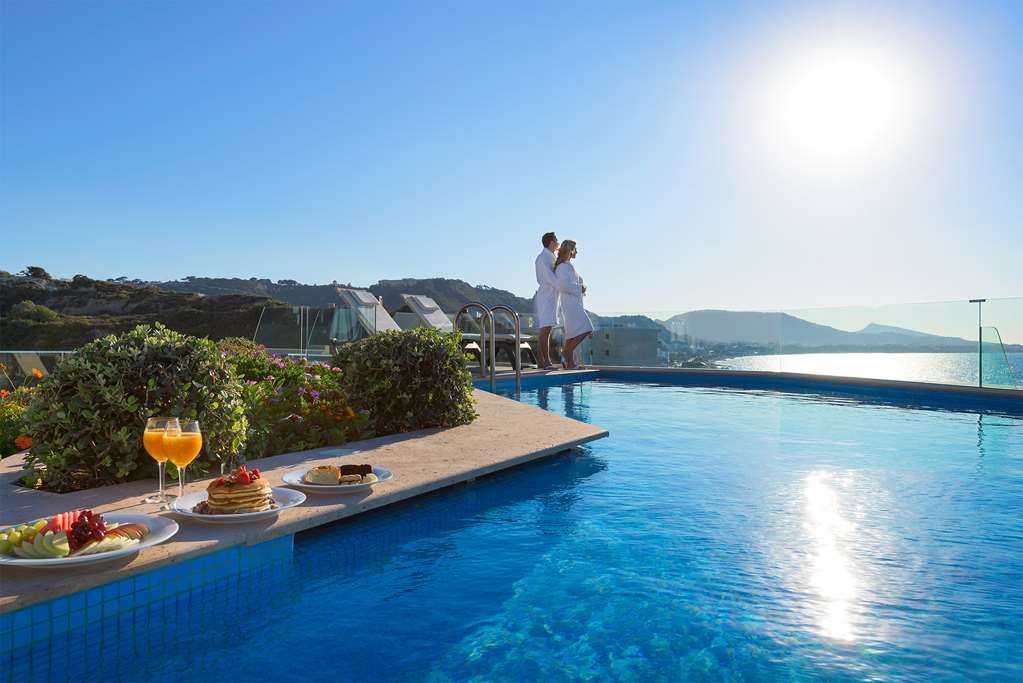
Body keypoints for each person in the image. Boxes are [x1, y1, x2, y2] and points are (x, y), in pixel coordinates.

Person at [554, 239, 593, 369]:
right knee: (587, 327)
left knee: (571, 334)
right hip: (570, 304)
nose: (577, 251)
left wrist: (582, 287)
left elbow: (577, 282)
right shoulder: (562, 267)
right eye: (575, 249)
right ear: (570, 250)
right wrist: (579, 288)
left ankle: (570, 363)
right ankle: (566, 353)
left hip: (573, 302)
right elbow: (563, 285)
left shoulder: (568, 266)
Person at [533, 231, 560, 369]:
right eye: (556, 240)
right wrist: (564, 286)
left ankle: (541, 361)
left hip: (550, 296)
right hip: (546, 296)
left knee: (546, 330)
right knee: (545, 330)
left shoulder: (549, 256)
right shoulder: (544, 258)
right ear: (551, 242)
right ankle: (547, 362)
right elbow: (550, 277)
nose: (558, 243)